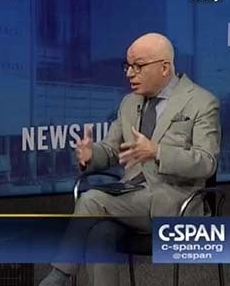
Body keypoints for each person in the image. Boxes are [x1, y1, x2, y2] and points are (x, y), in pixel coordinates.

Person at [39, 32, 221, 286]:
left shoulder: (201, 102)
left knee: (91, 200)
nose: (129, 74)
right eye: (128, 66)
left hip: (175, 205)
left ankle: (59, 275)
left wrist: (157, 152)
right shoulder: (129, 103)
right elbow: (112, 149)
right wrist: (91, 155)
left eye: (138, 66)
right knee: (99, 235)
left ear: (164, 68)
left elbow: (206, 162)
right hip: (131, 198)